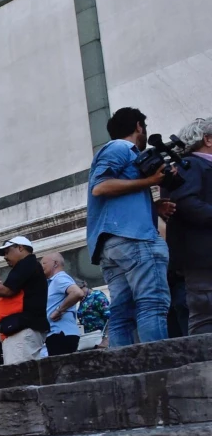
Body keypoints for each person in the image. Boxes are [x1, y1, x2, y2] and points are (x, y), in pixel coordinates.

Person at [86, 107, 175, 347]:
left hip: (111, 244)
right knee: (152, 303)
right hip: (134, 239)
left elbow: (111, 198)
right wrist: (151, 181)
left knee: (122, 313)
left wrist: (152, 207)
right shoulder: (121, 148)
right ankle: (160, 367)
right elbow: (100, 187)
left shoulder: (118, 152)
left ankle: (122, 367)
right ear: (138, 126)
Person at [168, 116, 212, 335]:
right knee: (204, 315)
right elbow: (185, 202)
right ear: (207, 139)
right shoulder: (191, 164)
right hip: (202, 256)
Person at [0, 237, 49, 364]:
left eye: (7, 252)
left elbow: (7, 290)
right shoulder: (27, 266)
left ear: (20, 248)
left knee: (19, 374)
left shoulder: (27, 263)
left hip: (23, 330)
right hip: (20, 330)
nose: (5, 257)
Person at [41, 253, 85, 356]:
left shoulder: (59, 278)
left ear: (55, 263)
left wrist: (59, 310)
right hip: (56, 334)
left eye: (44, 263)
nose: (41, 266)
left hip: (61, 334)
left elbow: (77, 293)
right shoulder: (52, 282)